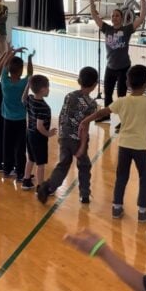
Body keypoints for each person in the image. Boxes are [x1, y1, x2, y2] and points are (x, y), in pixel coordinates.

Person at [80, 65, 146, 223]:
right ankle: (142, 212)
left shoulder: (122, 101)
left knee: (121, 177)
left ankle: (116, 207)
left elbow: (103, 112)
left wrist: (87, 120)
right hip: (140, 148)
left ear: (128, 83)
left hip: (124, 146)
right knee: (145, 178)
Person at [36, 67, 99, 204]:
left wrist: (61, 133)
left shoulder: (69, 96)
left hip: (64, 136)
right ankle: (85, 194)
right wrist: (82, 146)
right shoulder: (92, 105)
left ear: (79, 81)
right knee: (84, 166)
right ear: (95, 85)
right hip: (77, 140)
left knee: (63, 164)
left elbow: (62, 115)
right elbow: (84, 127)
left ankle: (48, 187)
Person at [86, 0, 146, 127]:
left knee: (121, 96)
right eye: (113, 16)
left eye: (117, 16)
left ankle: (123, 120)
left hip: (123, 69)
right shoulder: (106, 29)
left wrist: (143, 0)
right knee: (108, 95)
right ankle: (106, 116)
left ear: (122, 18)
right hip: (110, 68)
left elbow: (142, 17)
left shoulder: (127, 30)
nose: (114, 18)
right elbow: (94, 17)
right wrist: (91, 1)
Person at [0, 47, 32, 180]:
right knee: (20, 147)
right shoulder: (23, 84)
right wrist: (29, 60)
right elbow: (30, 74)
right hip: (20, 119)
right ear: (21, 70)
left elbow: (5, 67)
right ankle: (20, 173)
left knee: (8, 144)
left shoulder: (4, 82)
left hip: (7, 119)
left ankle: (7, 169)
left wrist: (12, 53)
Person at [21, 74, 56, 190]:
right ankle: (40, 187)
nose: (49, 89)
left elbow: (22, 99)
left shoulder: (30, 99)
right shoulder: (44, 107)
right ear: (42, 90)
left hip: (29, 134)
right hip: (38, 137)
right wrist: (49, 133)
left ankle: (26, 180)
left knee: (30, 158)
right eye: (48, 87)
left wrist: (27, 85)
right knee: (40, 164)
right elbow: (40, 126)